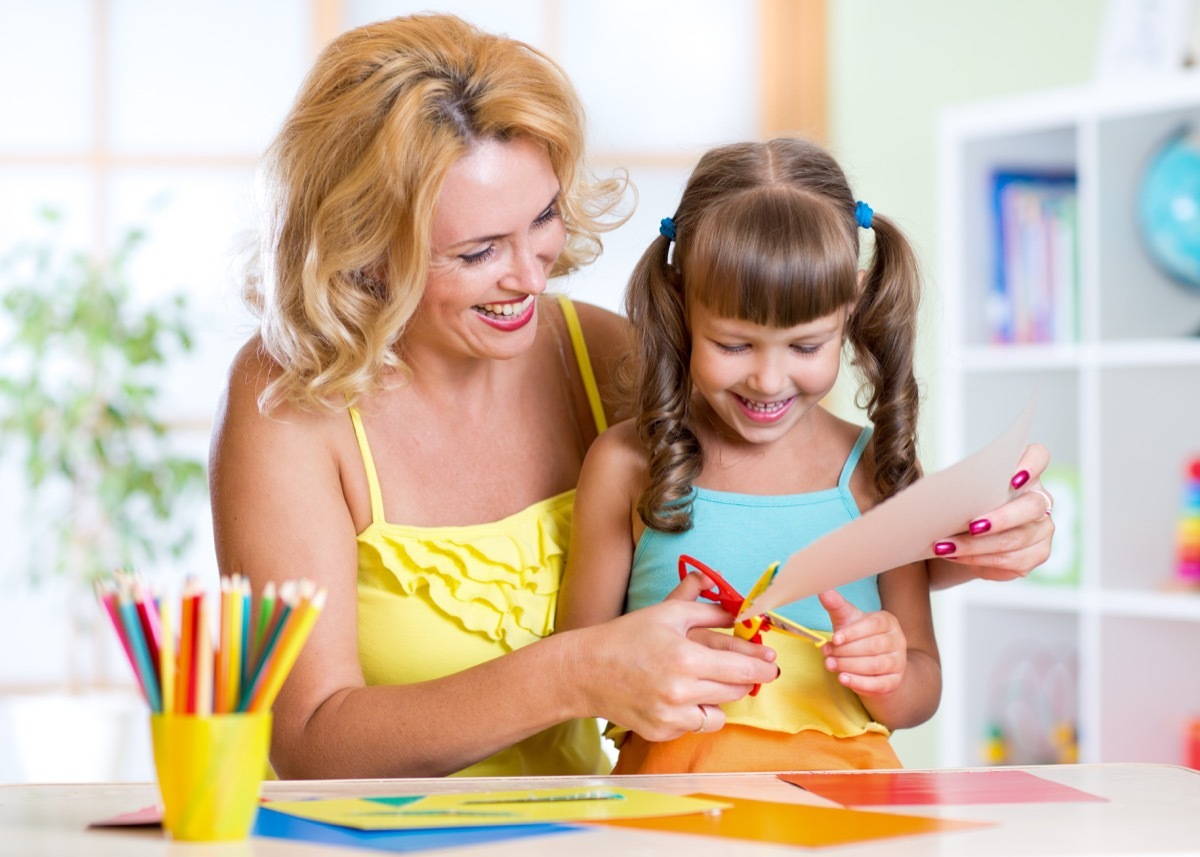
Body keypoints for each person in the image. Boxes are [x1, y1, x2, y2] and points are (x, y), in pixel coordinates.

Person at [209, 14, 1054, 780]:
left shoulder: (604, 357)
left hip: (604, 826)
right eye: (476, 252)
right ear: (365, 248)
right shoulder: (290, 402)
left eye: (542, 219)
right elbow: (307, 737)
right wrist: (579, 670)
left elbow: (774, 535)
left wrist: (962, 542)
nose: (530, 275)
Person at [557, 137, 1030, 775]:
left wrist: (885, 669)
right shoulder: (624, 464)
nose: (769, 380)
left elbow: (921, 689)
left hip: (850, 817)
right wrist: (639, 656)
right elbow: (572, 670)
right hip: (670, 815)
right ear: (680, 299)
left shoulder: (875, 473)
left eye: (806, 347)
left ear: (851, 307)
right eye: (733, 343)